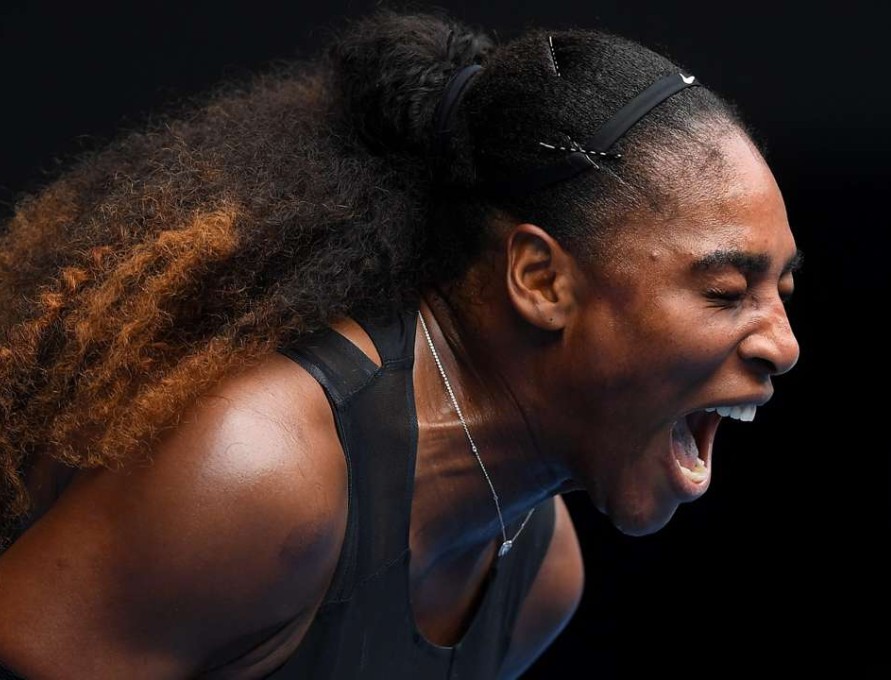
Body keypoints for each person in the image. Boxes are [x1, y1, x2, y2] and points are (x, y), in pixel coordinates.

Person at [0, 6, 801, 678]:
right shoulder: (260, 476)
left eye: (782, 292)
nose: (784, 344)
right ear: (541, 280)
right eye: (726, 292)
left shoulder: (539, 575)